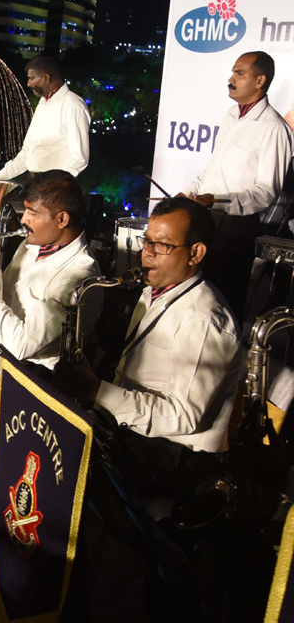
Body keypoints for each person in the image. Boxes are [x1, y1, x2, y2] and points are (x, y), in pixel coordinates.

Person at [55, 197, 241, 463]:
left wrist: (97, 391)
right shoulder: (155, 294)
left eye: (163, 245)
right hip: (140, 437)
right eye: (148, 241)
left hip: (175, 457)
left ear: (196, 253)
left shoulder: (203, 319)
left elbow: (184, 417)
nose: (148, 253)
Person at [183, 51, 293, 318]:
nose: (231, 79)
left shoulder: (274, 128)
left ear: (260, 80)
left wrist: (219, 199)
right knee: (195, 298)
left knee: (222, 303)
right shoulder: (232, 115)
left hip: (235, 229)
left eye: (239, 73)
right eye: (232, 72)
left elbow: (266, 191)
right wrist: (190, 191)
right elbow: (214, 170)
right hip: (207, 221)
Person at [0, 169, 98, 368]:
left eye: (33, 213)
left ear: (62, 219)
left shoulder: (78, 277)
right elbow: (2, 297)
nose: (24, 220)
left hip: (27, 381)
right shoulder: (33, 245)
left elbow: (19, 346)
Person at [0, 55, 90, 181]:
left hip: (54, 188)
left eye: (32, 78)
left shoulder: (73, 104)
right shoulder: (43, 103)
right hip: (35, 182)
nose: (28, 83)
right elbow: (27, 154)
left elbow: (79, 159)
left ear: (46, 78)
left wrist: (54, 185)